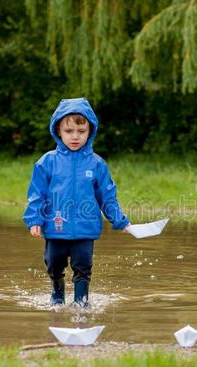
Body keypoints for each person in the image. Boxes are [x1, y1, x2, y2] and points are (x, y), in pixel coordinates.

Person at [23, 98, 130, 307]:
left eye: (81, 131)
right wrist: (34, 220)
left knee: (83, 265)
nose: (75, 137)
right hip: (56, 226)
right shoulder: (47, 162)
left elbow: (107, 196)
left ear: (90, 131)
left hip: (85, 228)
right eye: (69, 131)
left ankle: (82, 302)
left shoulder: (97, 164)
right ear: (58, 131)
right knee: (54, 264)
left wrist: (120, 220)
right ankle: (57, 295)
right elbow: (37, 195)